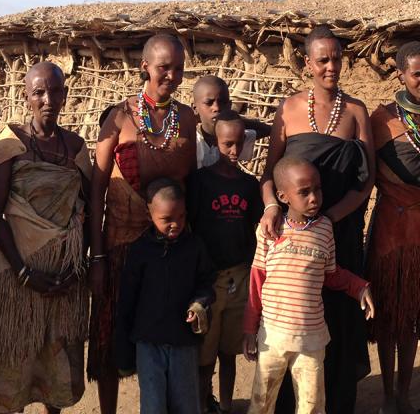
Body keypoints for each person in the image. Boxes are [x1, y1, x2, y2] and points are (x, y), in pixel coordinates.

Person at [257, 26, 375, 414]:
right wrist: (273, 207)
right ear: (307, 63)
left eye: (337, 58)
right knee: (293, 319)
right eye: (322, 59)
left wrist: (330, 218)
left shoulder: (356, 110)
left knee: (337, 320)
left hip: (339, 232)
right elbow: (270, 172)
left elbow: (366, 178)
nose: (331, 66)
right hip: (293, 237)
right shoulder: (289, 108)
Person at [0, 62, 91, 413]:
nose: (47, 99)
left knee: (56, 367)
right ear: (26, 96)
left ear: (66, 96)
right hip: (15, 276)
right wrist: (24, 272)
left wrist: (76, 267)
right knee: (11, 367)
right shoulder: (10, 145)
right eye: (39, 91)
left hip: (63, 279)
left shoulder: (76, 148)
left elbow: (83, 210)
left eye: (55, 91)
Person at [88, 33, 199, 414]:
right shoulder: (118, 118)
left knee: (168, 338)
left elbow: (190, 187)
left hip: (169, 253)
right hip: (121, 246)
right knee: (110, 340)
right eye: (164, 67)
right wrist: (98, 259)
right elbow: (96, 190)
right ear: (145, 67)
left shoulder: (186, 118)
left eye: (179, 68)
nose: (172, 75)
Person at [244, 157, 376, 414]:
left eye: (317, 189)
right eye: (304, 192)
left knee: (312, 404)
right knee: (262, 402)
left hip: (312, 339)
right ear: (283, 196)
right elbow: (257, 279)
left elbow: (331, 274)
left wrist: (360, 287)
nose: (314, 198)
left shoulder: (325, 229)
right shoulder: (270, 230)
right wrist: (249, 328)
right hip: (273, 336)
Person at [367, 42, 420, 414]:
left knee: (413, 316)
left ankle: (404, 395)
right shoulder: (381, 120)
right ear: (400, 74)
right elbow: (366, 179)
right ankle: (387, 396)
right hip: (392, 231)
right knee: (389, 316)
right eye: (416, 73)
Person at [115, 178, 215, 414]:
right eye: (167, 219)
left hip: (183, 342)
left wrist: (200, 303)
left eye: (181, 217)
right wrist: (124, 351)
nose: (176, 224)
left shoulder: (194, 247)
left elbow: (207, 283)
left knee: (186, 405)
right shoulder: (140, 251)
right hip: (148, 342)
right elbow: (127, 301)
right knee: (153, 406)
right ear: (150, 216)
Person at [188, 111, 263, 414]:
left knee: (229, 352)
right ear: (216, 142)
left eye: (237, 144)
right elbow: (192, 224)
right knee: (204, 355)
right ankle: (204, 403)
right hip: (210, 279)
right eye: (226, 144)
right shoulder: (201, 182)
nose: (233, 152)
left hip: (240, 277)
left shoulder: (248, 185)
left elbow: (255, 227)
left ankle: (227, 406)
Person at [192, 75, 272, 168]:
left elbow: (267, 130)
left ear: (229, 105)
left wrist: (233, 120)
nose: (217, 108)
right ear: (195, 108)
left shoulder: (235, 138)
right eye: (209, 103)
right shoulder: (192, 141)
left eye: (223, 102)